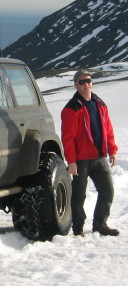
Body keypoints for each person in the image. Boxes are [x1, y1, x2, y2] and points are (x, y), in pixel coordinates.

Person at [61, 70, 119, 237]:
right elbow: (68, 138)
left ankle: (100, 224)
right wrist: (71, 161)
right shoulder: (71, 109)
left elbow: (108, 129)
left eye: (88, 81)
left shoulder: (100, 103)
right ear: (76, 85)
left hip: (99, 157)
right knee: (79, 195)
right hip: (81, 160)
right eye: (82, 82)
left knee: (107, 191)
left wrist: (112, 150)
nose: (86, 84)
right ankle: (78, 228)